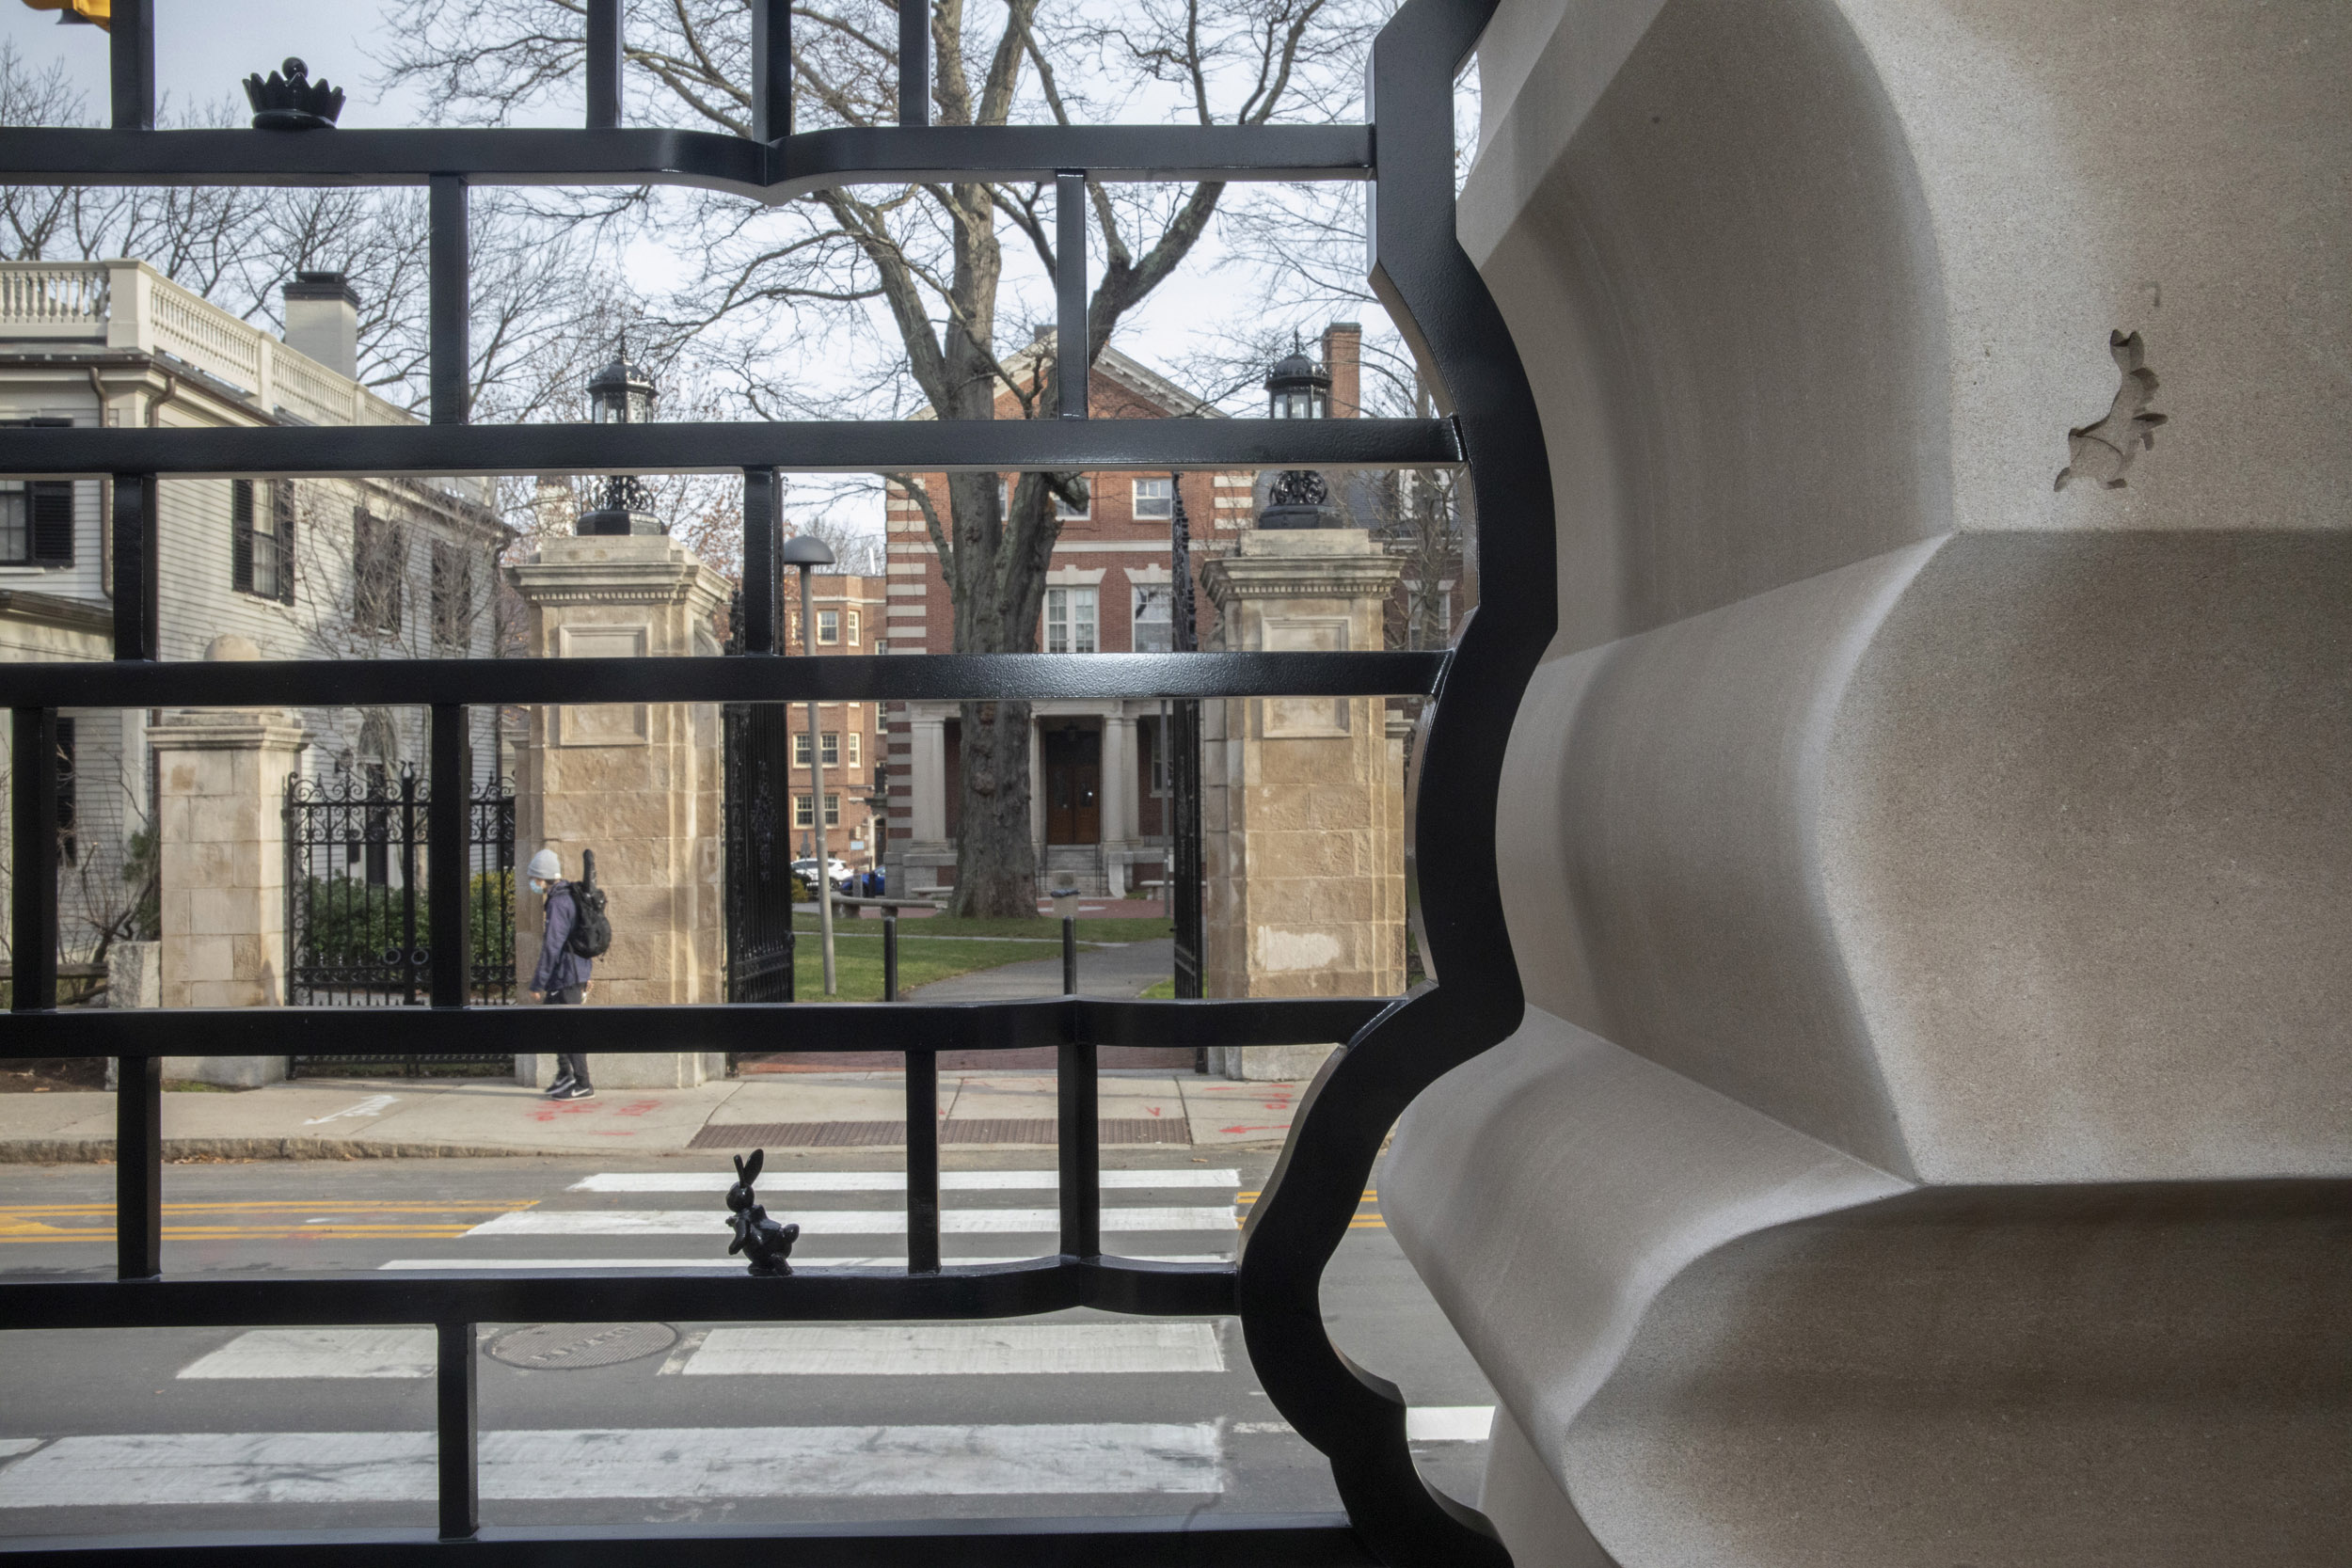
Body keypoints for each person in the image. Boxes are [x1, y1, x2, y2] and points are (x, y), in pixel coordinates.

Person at [526, 847, 595, 1101]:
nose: (533, 883)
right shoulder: (569, 897)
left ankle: (584, 1083)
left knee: (570, 1031)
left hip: (565, 977)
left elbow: (552, 946)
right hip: (571, 974)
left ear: (543, 878)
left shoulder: (558, 902)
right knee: (553, 1027)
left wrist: (538, 983)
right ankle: (566, 1076)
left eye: (534, 879)